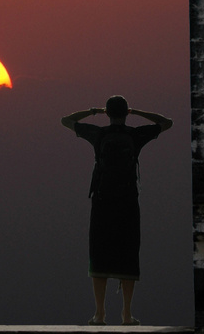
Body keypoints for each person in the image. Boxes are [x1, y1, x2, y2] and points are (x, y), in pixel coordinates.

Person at [61, 95, 172, 326]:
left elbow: (66, 120)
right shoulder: (135, 135)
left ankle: (99, 313)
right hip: (128, 201)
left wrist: (94, 111)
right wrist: (138, 112)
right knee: (128, 253)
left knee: (99, 253)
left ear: (109, 113)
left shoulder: (98, 134)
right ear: (125, 113)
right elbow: (166, 122)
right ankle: (127, 314)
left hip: (102, 201)